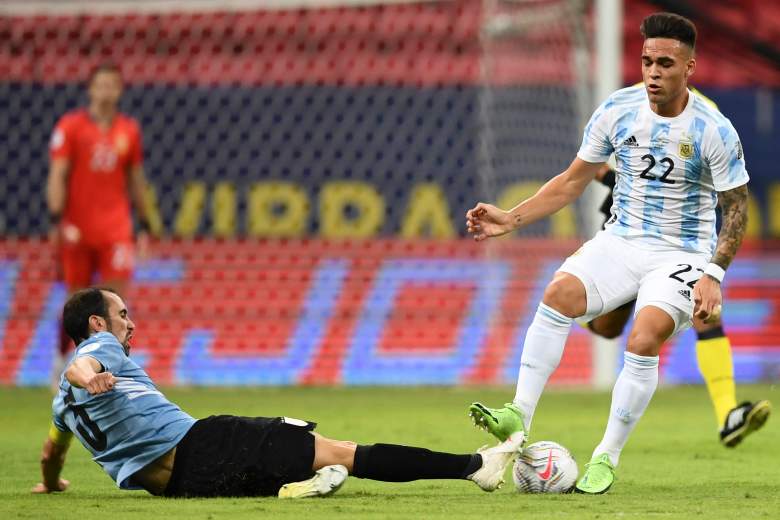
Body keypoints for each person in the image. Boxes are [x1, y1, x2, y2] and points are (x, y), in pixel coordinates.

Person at [464, 12, 756, 494]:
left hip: (680, 254)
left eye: (665, 62)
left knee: (642, 339)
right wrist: (512, 218)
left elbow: (736, 211)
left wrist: (714, 274)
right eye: (646, 61)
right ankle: (516, 414)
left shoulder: (714, 130)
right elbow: (574, 179)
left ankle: (607, 456)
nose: (653, 72)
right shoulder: (617, 110)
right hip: (620, 241)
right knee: (558, 294)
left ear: (690, 68)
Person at [32, 288, 520, 498]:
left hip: (180, 488)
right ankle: (476, 468)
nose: (130, 323)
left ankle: (294, 489)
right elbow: (83, 364)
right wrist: (88, 374)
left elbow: (51, 453)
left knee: (292, 469)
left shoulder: (61, 405)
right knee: (347, 452)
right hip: (203, 443)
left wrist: (53, 482)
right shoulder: (100, 349)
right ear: (97, 323)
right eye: (122, 315)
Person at [588, 161, 770, 448]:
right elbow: (594, 161)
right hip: (630, 227)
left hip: (682, 234)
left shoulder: (708, 120)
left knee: (706, 310)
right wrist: (616, 179)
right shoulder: (629, 115)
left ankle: (727, 415)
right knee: (606, 327)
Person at [47, 62, 153, 382]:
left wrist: (144, 225)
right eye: (101, 85)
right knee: (75, 301)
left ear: (119, 90)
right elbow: (58, 175)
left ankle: (114, 367)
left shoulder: (128, 131)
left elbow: (136, 180)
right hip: (77, 227)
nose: (106, 90)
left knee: (114, 302)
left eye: (112, 85)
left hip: (116, 228)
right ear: (91, 89)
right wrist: (56, 219)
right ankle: (62, 361)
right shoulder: (70, 127)